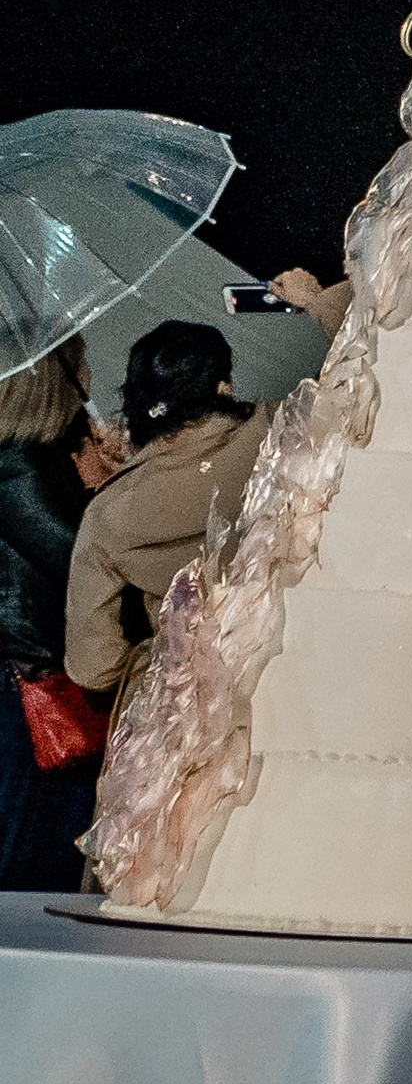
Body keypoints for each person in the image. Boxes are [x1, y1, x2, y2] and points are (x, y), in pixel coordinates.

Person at [64, 323, 271, 699]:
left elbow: (93, 666)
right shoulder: (276, 427)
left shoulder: (108, 514)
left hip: (204, 694)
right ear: (223, 383)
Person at [0, 341, 125, 889]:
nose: (91, 376)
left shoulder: (36, 457)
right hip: (32, 688)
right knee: (35, 847)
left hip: (33, 680)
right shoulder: (19, 465)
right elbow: (80, 556)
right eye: (82, 363)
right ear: (55, 381)